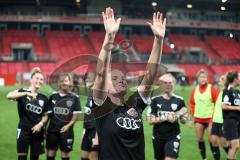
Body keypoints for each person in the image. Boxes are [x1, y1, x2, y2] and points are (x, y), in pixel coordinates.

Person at [91, 7, 166, 160]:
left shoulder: (135, 104)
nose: (122, 80)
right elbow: (100, 73)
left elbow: (151, 74)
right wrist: (109, 36)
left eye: (123, 78)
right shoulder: (102, 106)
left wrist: (159, 40)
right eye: (115, 78)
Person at [7, 67, 50, 160]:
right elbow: (9, 96)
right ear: (31, 80)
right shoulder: (23, 92)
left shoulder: (44, 98)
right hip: (23, 131)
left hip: (38, 132)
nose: (39, 81)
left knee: (34, 158)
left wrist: (41, 124)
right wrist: (26, 93)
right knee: (22, 158)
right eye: (37, 78)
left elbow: (46, 115)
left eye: (41, 79)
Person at [147, 74, 188, 160]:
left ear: (174, 84)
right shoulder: (155, 100)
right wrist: (166, 118)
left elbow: (184, 120)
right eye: (165, 83)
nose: (168, 85)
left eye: (170, 82)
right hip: (158, 136)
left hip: (174, 135)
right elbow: (150, 120)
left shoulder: (179, 100)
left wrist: (181, 116)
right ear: (161, 84)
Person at [46, 73, 81, 160]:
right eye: (62, 81)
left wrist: (67, 126)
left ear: (70, 82)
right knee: (50, 153)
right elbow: (48, 115)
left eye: (66, 81)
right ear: (58, 83)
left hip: (67, 131)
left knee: (65, 155)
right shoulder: (52, 96)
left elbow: (75, 116)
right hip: (52, 130)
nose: (64, 83)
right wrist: (43, 127)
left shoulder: (75, 98)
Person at [189, 69, 219, 160]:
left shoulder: (211, 88)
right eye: (201, 77)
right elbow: (192, 102)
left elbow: (217, 103)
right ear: (198, 78)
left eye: (204, 77)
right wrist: (193, 113)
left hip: (210, 119)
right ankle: (204, 158)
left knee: (213, 141)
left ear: (207, 78)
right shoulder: (195, 90)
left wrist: (214, 117)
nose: (203, 79)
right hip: (198, 119)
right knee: (200, 139)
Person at [222, 71, 240, 160]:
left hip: (237, 121)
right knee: (235, 145)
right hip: (230, 120)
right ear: (235, 79)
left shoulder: (237, 91)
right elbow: (224, 106)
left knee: (235, 146)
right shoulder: (227, 90)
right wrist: (237, 108)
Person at [210, 75, 229, 160]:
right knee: (213, 142)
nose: (219, 80)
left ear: (226, 82)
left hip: (223, 121)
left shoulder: (228, 92)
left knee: (224, 144)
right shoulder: (220, 92)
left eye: (222, 79)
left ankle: (232, 157)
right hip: (215, 121)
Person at [81, 72, 98, 160]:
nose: (87, 79)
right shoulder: (89, 95)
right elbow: (88, 115)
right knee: (84, 156)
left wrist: (97, 137)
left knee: (95, 157)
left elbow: (103, 118)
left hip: (96, 132)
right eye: (86, 78)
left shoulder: (100, 96)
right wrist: (84, 132)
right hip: (87, 131)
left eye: (90, 78)